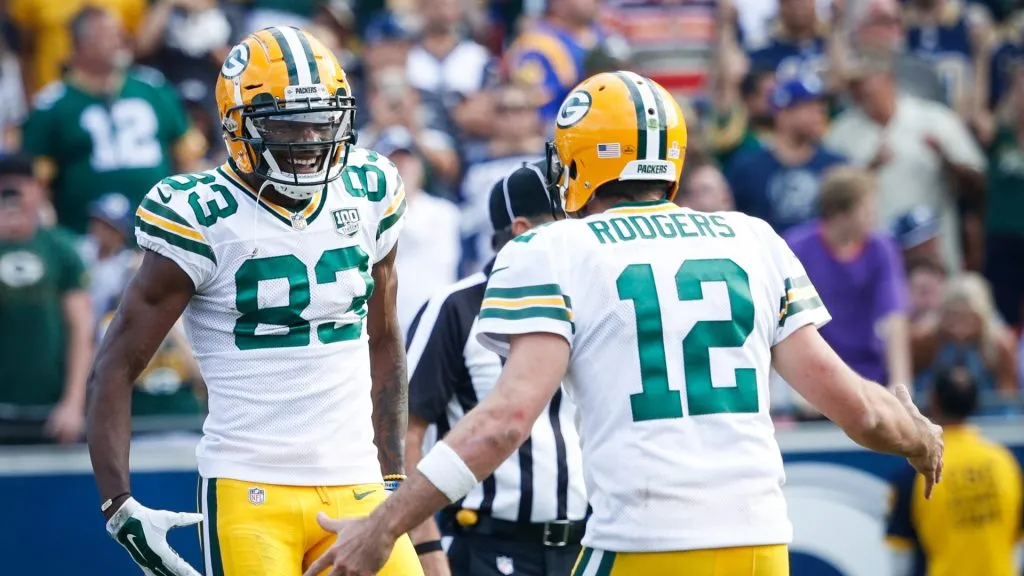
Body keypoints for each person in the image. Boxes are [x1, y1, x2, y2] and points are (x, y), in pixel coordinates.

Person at [305, 70, 944, 576]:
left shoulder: (553, 249)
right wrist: (917, 437)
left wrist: (385, 524)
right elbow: (855, 407)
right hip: (759, 546)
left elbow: (503, 421)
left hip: (642, 543)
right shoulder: (752, 238)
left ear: (580, 160)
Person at [85, 26, 423, 576]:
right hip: (249, 486)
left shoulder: (370, 189)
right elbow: (116, 364)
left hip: (357, 480)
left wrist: (392, 476)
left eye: (322, 121)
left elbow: (383, 338)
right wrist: (118, 504)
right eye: (289, 124)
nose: (311, 141)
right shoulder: (201, 214)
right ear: (238, 127)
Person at [404, 162, 587, 576]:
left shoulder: (589, 297)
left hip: (583, 544)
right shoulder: (456, 306)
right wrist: (428, 546)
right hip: (487, 544)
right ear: (523, 232)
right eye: (569, 223)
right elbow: (405, 432)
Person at [20, 6, 205, 235]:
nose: (118, 40)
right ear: (79, 45)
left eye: (118, 32)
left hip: (160, 232)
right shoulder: (52, 105)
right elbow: (37, 186)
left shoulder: (153, 89)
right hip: (85, 240)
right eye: (105, 34)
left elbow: (189, 160)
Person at [887, 366, 1023, 576]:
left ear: (934, 401)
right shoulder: (1005, 461)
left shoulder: (916, 470)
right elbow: (1017, 541)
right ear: (976, 403)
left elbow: (900, 555)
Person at [785, 166, 912, 390]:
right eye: (867, 209)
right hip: (812, 375)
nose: (875, 216)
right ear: (840, 214)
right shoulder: (795, 248)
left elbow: (894, 319)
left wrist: (901, 383)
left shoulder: (881, 248)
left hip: (869, 374)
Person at [0, 152, 92, 445]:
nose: (12, 197)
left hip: (53, 410)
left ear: (37, 190)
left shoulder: (59, 247)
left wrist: (74, 403)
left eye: (19, 188)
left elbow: (81, 328)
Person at [726, 75, 846, 234]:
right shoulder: (747, 168)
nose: (819, 114)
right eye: (809, 107)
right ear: (783, 115)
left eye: (820, 107)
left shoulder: (836, 166)